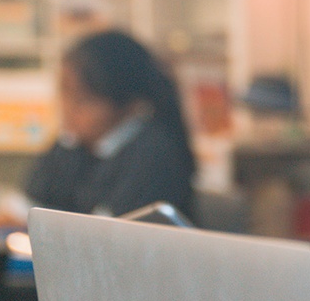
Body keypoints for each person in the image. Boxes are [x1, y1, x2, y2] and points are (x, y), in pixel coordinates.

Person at [24, 28, 196, 222]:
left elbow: (104, 236)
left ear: (129, 106)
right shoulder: (71, 144)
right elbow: (24, 207)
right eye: (63, 92)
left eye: (83, 100)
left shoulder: (153, 154)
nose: (67, 109)